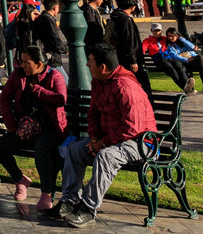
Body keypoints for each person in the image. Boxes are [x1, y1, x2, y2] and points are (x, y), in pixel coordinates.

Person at [52, 42, 156, 227]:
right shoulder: (100, 82)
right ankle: (69, 201)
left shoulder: (126, 87)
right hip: (112, 140)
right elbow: (93, 113)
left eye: (90, 61)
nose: (86, 65)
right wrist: (93, 138)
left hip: (141, 142)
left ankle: (88, 209)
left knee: (106, 156)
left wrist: (103, 143)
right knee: (75, 150)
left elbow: (132, 127)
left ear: (102, 67)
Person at [0, 45, 67, 211]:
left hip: (49, 128)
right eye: (22, 61)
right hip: (24, 128)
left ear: (39, 64)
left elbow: (61, 99)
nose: (23, 65)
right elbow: (4, 99)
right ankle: (20, 180)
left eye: (27, 62)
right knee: (1, 147)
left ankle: (46, 194)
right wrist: (10, 124)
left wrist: (39, 91)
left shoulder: (54, 76)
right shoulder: (18, 75)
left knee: (42, 150)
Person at [105, 0, 148, 93]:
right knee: (141, 85)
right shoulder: (125, 20)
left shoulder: (117, 17)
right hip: (130, 59)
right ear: (132, 6)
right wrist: (132, 60)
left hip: (121, 57)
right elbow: (129, 41)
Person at [158, 28, 203, 95]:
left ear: (177, 35)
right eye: (169, 36)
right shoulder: (170, 46)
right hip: (184, 64)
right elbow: (175, 56)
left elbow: (192, 47)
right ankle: (193, 88)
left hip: (193, 61)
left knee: (200, 57)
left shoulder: (183, 42)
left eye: (172, 36)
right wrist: (186, 59)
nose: (170, 38)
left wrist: (182, 39)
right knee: (195, 65)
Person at [31, 0, 68, 73]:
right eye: (58, 7)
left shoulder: (43, 18)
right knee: (63, 82)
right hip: (51, 58)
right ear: (54, 8)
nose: (58, 10)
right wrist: (65, 49)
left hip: (48, 57)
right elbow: (55, 39)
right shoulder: (48, 19)